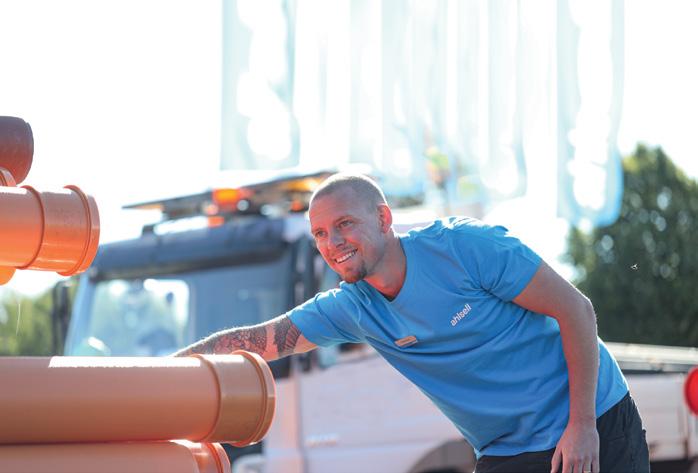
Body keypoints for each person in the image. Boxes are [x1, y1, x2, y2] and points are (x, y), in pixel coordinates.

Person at [176, 173, 649, 473]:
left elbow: (576, 310)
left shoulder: (466, 248)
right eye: (320, 233)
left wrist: (583, 425)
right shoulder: (352, 307)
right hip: (507, 451)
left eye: (344, 224)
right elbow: (259, 340)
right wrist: (162, 373)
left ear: (383, 218)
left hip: (593, 420)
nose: (332, 242)